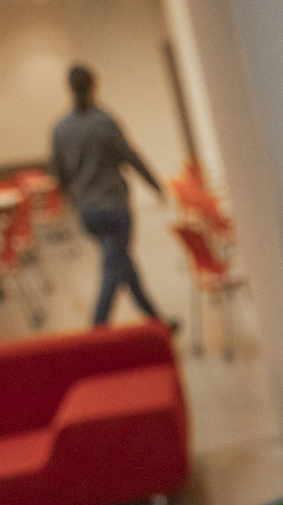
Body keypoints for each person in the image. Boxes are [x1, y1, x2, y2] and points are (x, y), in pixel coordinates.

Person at [49, 64, 174, 331]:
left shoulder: (60, 129)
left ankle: (157, 323)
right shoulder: (104, 121)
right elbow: (129, 155)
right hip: (114, 208)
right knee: (112, 269)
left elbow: (58, 174)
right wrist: (156, 185)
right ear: (94, 86)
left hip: (88, 211)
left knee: (123, 265)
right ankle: (97, 332)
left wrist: (72, 201)